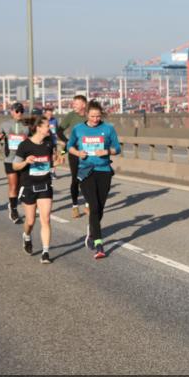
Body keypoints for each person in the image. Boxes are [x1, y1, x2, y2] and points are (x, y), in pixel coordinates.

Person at [66, 100, 122, 259]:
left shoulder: (108, 129)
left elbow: (117, 148)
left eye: (98, 116)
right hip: (86, 171)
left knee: (100, 207)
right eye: (92, 116)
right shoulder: (78, 129)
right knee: (94, 206)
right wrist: (78, 153)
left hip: (104, 171)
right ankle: (99, 244)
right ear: (86, 114)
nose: (95, 119)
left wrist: (106, 151)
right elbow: (69, 146)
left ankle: (91, 232)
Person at [12, 115, 55, 264]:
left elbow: (54, 158)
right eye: (47, 126)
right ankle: (27, 236)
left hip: (45, 185)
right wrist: (26, 161)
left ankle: (45, 252)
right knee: (30, 222)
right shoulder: (25, 145)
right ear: (39, 128)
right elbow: (15, 166)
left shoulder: (49, 143)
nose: (50, 128)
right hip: (28, 186)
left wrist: (57, 160)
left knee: (46, 219)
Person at [0, 102, 29, 223]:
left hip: (23, 159)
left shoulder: (27, 125)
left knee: (22, 186)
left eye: (21, 111)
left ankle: (13, 202)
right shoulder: (5, 124)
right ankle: (14, 210)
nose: (19, 113)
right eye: (17, 111)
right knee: (13, 185)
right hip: (10, 159)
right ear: (12, 112)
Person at [57, 95, 87, 218]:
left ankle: (88, 204)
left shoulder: (90, 115)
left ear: (84, 104)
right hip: (74, 151)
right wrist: (67, 142)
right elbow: (59, 131)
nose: (73, 105)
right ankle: (75, 206)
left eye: (76, 103)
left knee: (88, 178)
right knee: (75, 179)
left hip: (88, 152)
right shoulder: (71, 116)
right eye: (73, 103)